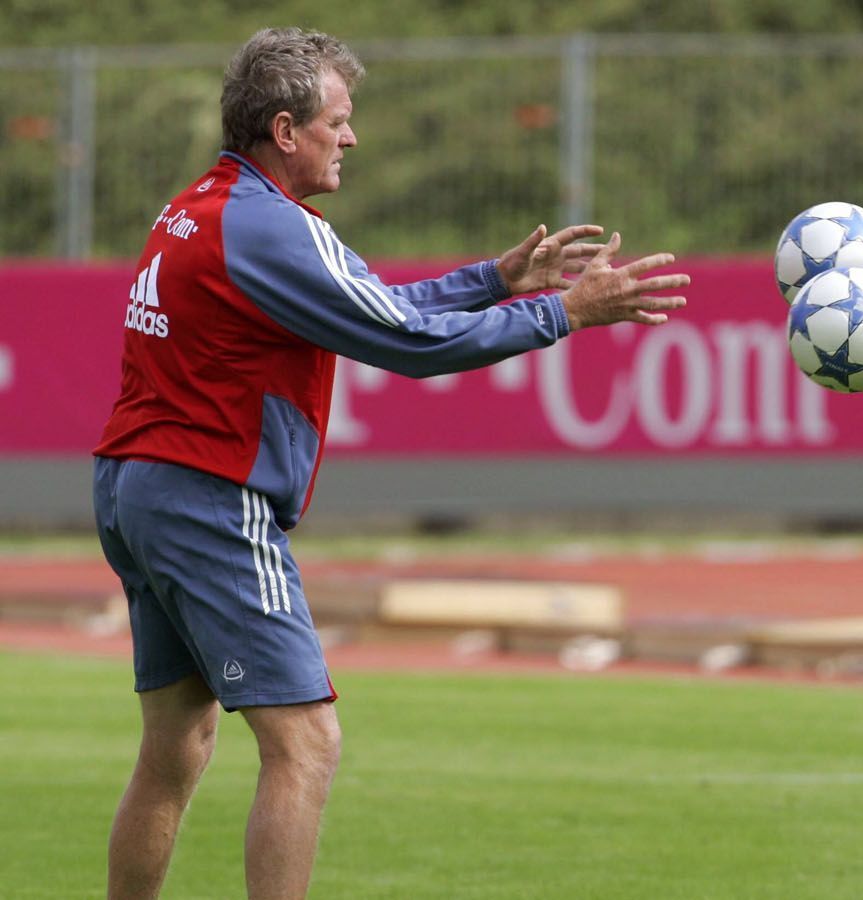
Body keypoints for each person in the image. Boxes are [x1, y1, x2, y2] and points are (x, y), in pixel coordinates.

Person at [92, 27, 688, 899]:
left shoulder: (208, 204)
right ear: (287, 130)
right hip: (205, 495)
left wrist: (494, 277)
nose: (353, 136)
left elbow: (374, 305)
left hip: (135, 484)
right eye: (340, 118)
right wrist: (567, 313)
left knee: (175, 747)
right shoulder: (270, 225)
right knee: (306, 743)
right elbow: (407, 344)